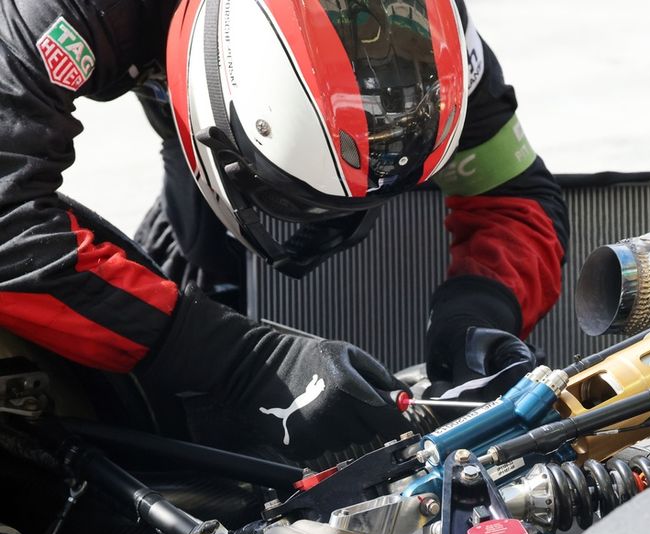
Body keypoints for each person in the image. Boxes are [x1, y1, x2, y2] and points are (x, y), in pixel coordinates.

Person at [0, 0, 568, 466]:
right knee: (193, 260)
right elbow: (9, 220)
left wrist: (474, 317)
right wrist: (235, 359)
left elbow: (514, 194)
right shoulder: (73, 12)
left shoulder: (431, 31)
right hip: (140, 65)